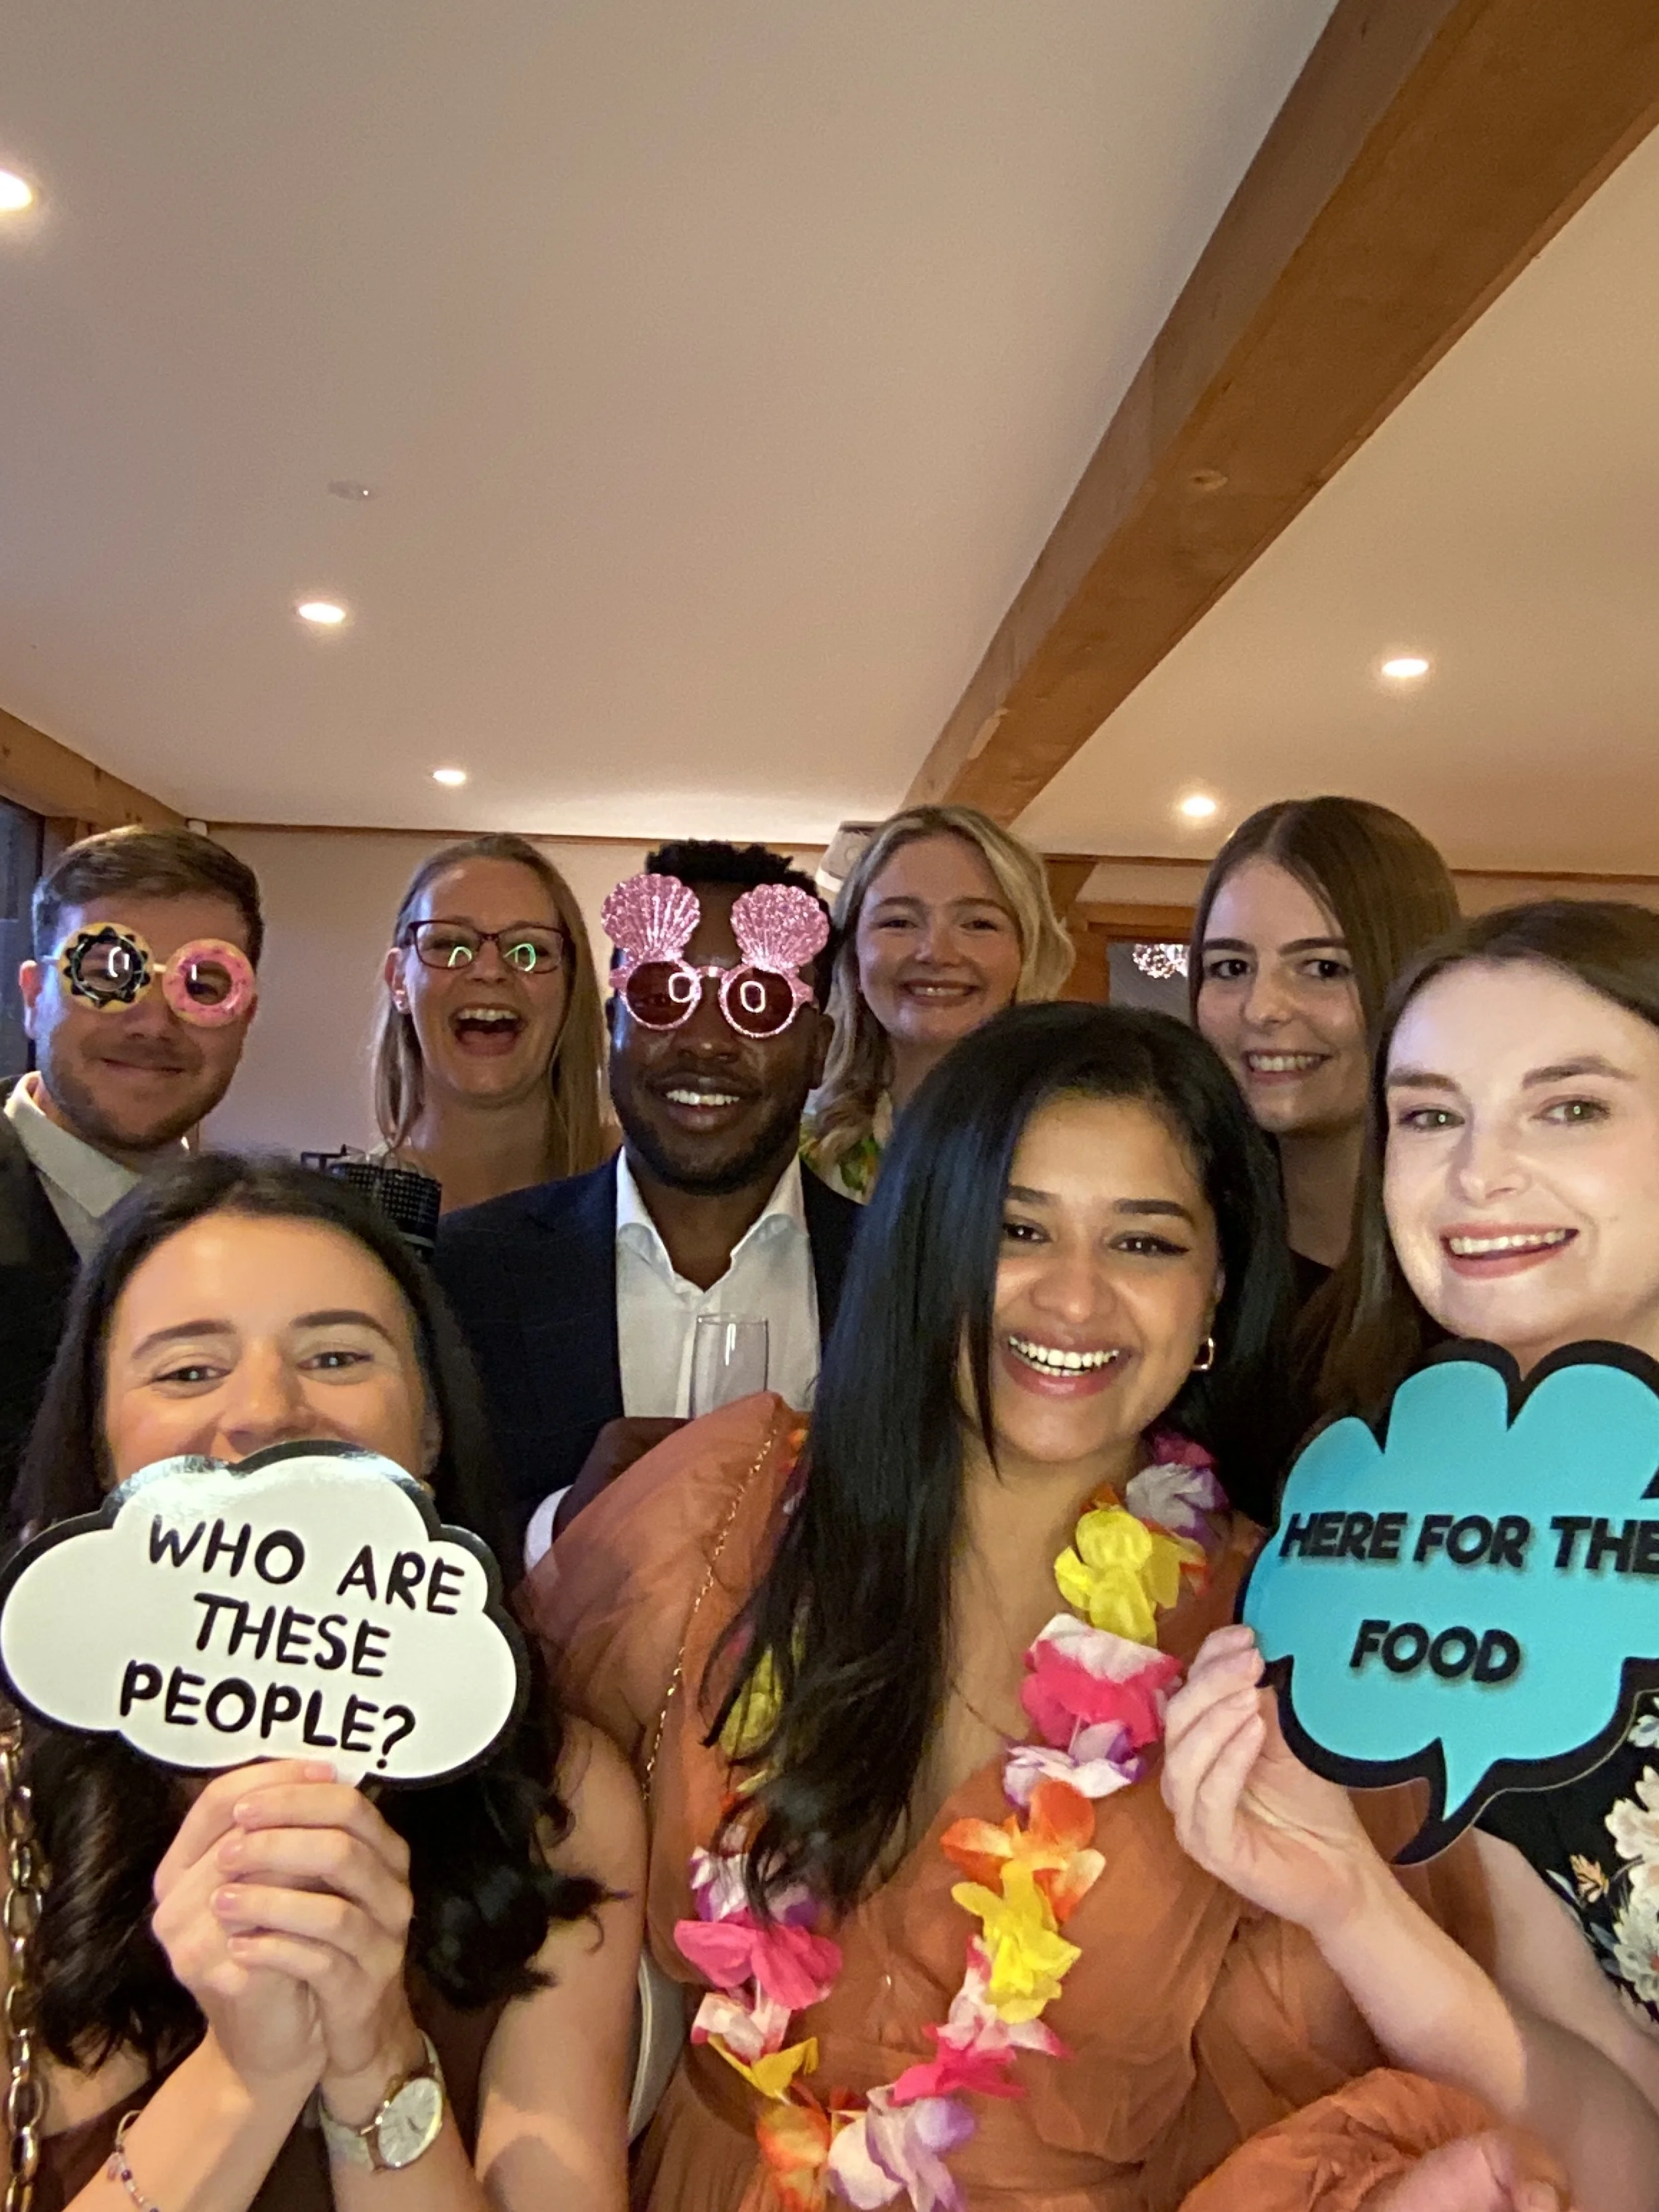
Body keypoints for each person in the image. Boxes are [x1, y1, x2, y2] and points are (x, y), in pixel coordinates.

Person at [527, 1001, 1569, 2211]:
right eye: (1019, 1228)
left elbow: (1308, 2094)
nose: (1073, 1300)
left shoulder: (1273, 1642)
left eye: (1144, 1243)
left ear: (1219, 1286)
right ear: (928, 1248)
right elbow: (512, 1832)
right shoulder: (723, 1512)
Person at [1, 1153, 642, 2212]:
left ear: (431, 1426)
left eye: (338, 1355)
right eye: (187, 1372)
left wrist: (374, 2061)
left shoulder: (555, 1797)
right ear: (97, 1442)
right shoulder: (18, 1776)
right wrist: (246, 2076)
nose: (263, 1413)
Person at [1307, 898, 1659, 2114]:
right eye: (1431, 1114)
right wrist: (1344, 1890)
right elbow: (1606, 2087)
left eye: (1571, 1106)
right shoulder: (1404, 1529)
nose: (1479, 1171)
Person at [433, 842, 863, 1552]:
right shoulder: (467, 1275)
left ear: (819, 1049)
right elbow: (414, 1549)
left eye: (758, 1004)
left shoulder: (906, 1281)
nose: (704, 1041)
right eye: (665, 996)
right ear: (614, 1028)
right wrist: (563, 1528)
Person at [1, 827, 263, 1514]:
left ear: (244, 1017)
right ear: (34, 997)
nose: (153, 1023)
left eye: (201, 984)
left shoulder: (260, 1249)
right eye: (106, 974)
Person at [1190, 796, 1458, 1302]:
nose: (1262, 1009)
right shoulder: (1177, 1248)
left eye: (1324, 968)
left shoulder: (1488, 1260)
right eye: (1230, 967)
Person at [802, 804, 1072, 1201]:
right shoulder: (799, 1156)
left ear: (1028, 951)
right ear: (852, 953)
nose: (937, 953)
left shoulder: (1082, 1139)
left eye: (978, 923)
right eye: (899, 922)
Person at [374, 834, 609, 1213]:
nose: (489, 970)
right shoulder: (347, 1221)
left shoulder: (639, 1195)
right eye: (449, 944)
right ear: (399, 980)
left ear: (571, 987)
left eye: (528, 950)